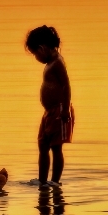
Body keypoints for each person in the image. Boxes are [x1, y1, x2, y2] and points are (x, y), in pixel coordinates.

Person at [25, 25, 74, 186]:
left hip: (59, 111)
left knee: (56, 148)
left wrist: (65, 109)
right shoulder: (51, 63)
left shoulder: (57, 63)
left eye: (35, 54)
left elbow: (66, 86)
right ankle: (42, 180)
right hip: (49, 112)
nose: (36, 58)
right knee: (42, 145)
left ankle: (55, 181)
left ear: (42, 47)